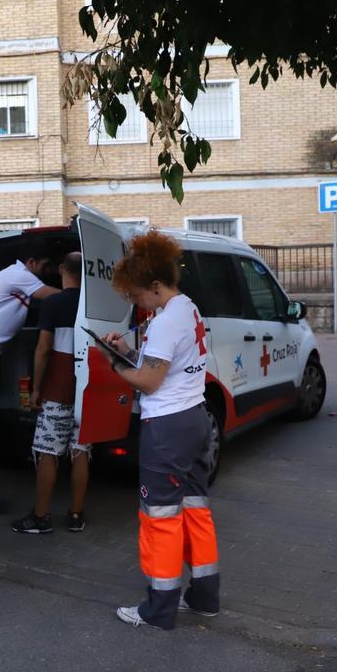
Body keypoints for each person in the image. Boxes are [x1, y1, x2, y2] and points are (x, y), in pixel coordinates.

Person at [97, 230, 220, 630]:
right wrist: (131, 352)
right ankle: (203, 596)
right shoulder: (187, 308)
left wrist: (113, 363)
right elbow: (165, 365)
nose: (135, 304)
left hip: (167, 425)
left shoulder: (167, 321)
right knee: (195, 510)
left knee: (160, 516)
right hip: (195, 418)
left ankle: (158, 607)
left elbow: (149, 383)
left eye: (135, 296)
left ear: (154, 286)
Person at [0, 246, 60, 512]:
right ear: (31, 261)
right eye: (43, 267)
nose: (45, 275)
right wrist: (78, 293)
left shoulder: (12, 276)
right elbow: (50, 296)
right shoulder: (19, 274)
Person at [11, 252, 90, 534]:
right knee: (80, 451)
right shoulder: (92, 305)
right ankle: (76, 515)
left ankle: (41, 517)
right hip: (88, 391)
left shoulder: (54, 303)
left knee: (47, 452)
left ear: (60, 269)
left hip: (58, 389)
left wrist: (36, 389)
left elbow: (44, 349)